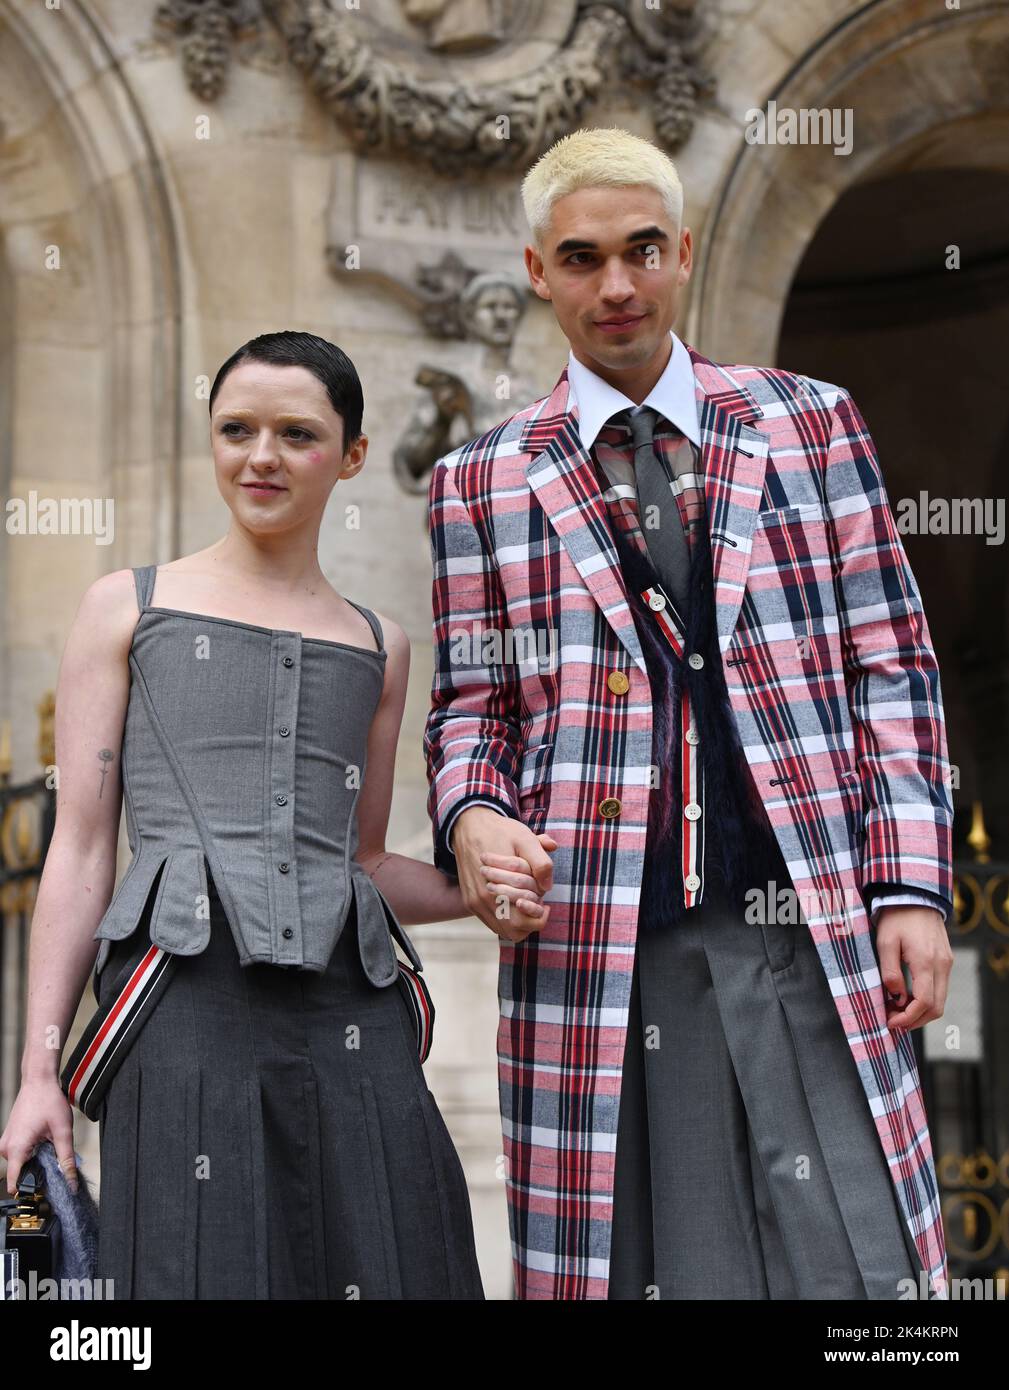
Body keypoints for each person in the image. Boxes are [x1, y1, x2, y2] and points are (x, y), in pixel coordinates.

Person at [424, 128, 955, 1300]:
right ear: (535, 270)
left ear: (683, 253)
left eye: (640, 250)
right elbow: (471, 708)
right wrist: (469, 817)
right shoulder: (478, 479)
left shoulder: (810, 422)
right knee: (647, 1270)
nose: (614, 285)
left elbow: (892, 664)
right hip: (606, 946)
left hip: (809, 924)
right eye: (580, 258)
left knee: (858, 1273)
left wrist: (910, 885)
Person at [0, 330, 549, 1300]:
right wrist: (39, 1072)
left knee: (398, 1252)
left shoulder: (381, 646)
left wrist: (482, 890)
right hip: (181, 1012)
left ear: (349, 456)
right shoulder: (123, 608)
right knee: (195, 1266)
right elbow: (82, 851)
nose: (261, 455)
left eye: (296, 433)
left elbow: (366, 860)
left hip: (358, 1016)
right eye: (236, 429)